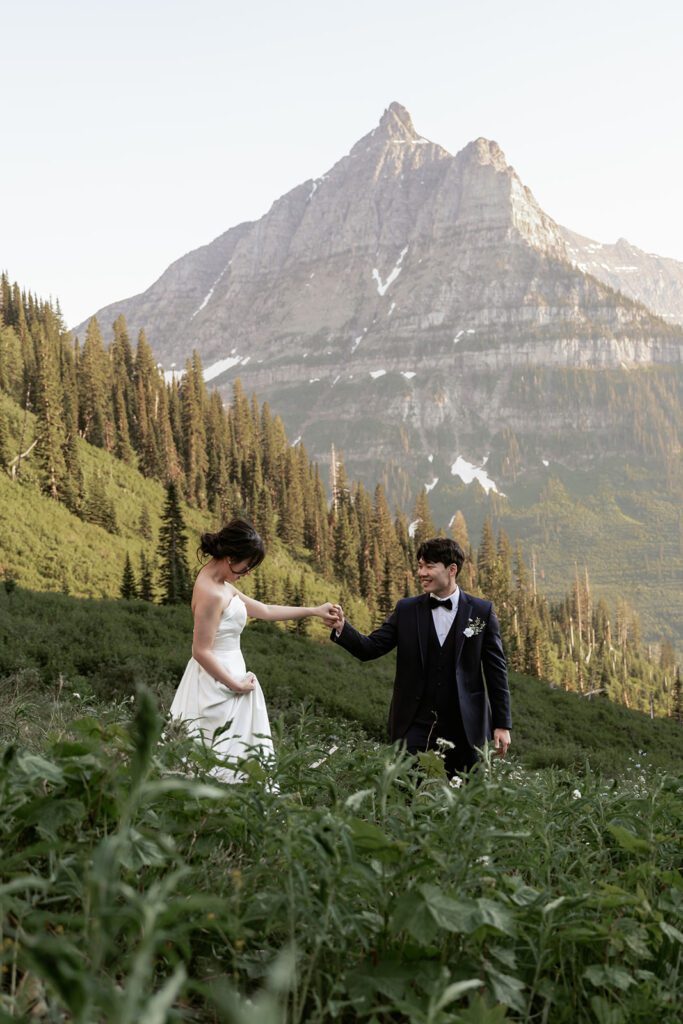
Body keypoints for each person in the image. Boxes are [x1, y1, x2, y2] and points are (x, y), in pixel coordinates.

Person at [170, 518, 339, 782]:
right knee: (220, 758)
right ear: (229, 557)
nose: (247, 573)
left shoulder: (220, 583)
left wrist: (314, 611)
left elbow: (264, 610)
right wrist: (235, 685)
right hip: (217, 684)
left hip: (230, 676)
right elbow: (200, 651)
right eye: (246, 566)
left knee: (232, 759)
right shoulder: (212, 593)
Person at [330, 536, 512, 777]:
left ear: (452, 569)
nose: (421, 573)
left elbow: (496, 671)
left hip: (466, 726)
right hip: (414, 724)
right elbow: (370, 647)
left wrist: (502, 724)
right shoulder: (406, 610)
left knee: (469, 802)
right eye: (419, 566)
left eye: (429, 566)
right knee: (404, 794)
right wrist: (342, 627)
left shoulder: (481, 612)